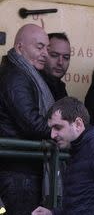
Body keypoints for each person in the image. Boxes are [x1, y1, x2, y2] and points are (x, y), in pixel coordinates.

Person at [0, 23, 53, 214]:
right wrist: (58, 132)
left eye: (47, 48)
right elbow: (30, 122)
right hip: (19, 174)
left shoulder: (20, 73)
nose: (45, 53)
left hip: (21, 170)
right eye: (39, 47)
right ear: (20, 47)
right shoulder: (16, 76)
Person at [41, 32, 71, 100]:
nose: (60, 62)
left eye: (66, 57)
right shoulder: (30, 84)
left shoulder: (60, 88)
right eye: (54, 55)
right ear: (42, 54)